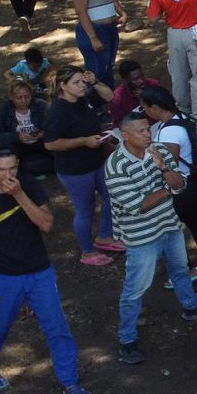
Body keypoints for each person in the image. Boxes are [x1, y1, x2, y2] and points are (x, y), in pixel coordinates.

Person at [0, 144, 93, 394]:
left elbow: (47, 224)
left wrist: (19, 195)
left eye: (12, 168)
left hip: (39, 273)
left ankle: (70, 382)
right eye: (0, 169)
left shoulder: (26, 185)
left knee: (57, 328)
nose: (7, 174)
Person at [106, 112, 197, 365]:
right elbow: (139, 205)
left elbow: (180, 184)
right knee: (135, 287)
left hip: (168, 224)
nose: (148, 134)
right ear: (125, 136)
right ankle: (126, 339)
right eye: (141, 131)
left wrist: (162, 168)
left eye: (148, 129)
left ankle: (191, 306)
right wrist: (168, 187)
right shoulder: (116, 166)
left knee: (180, 269)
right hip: (140, 235)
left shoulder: (158, 150)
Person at [138, 86, 197, 283]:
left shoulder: (169, 132)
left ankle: (187, 271)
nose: (145, 113)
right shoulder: (183, 118)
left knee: (171, 230)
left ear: (155, 107)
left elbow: (169, 164)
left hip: (183, 187)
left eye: (145, 108)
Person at [44, 66, 123, 265]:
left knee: (112, 195)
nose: (82, 85)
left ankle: (105, 236)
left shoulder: (84, 98)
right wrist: (83, 141)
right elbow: (51, 143)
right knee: (85, 209)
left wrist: (95, 82)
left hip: (96, 161)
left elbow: (109, 96)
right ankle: (87, 252)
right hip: (75, 169)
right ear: (63, 86)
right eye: (76, 83)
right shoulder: (57, 112)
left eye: (83, 81)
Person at [68, 0, 127, 87]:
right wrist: (93, 38)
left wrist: (122, 13)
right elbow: (81, 11)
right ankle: (93, 102)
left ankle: (109, 99)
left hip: (110, 28)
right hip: (94, 29)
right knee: (97, 70)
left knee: (109, 66)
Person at [0, 80, 53, 176]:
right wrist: (16, 137)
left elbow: (53, 125)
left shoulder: (40, 105)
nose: (23, 101)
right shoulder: (4, 110)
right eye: (19, 98)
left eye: (27, 97)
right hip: (18, 144)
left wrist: (43, 133)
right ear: (11, 97)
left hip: (41, 141)